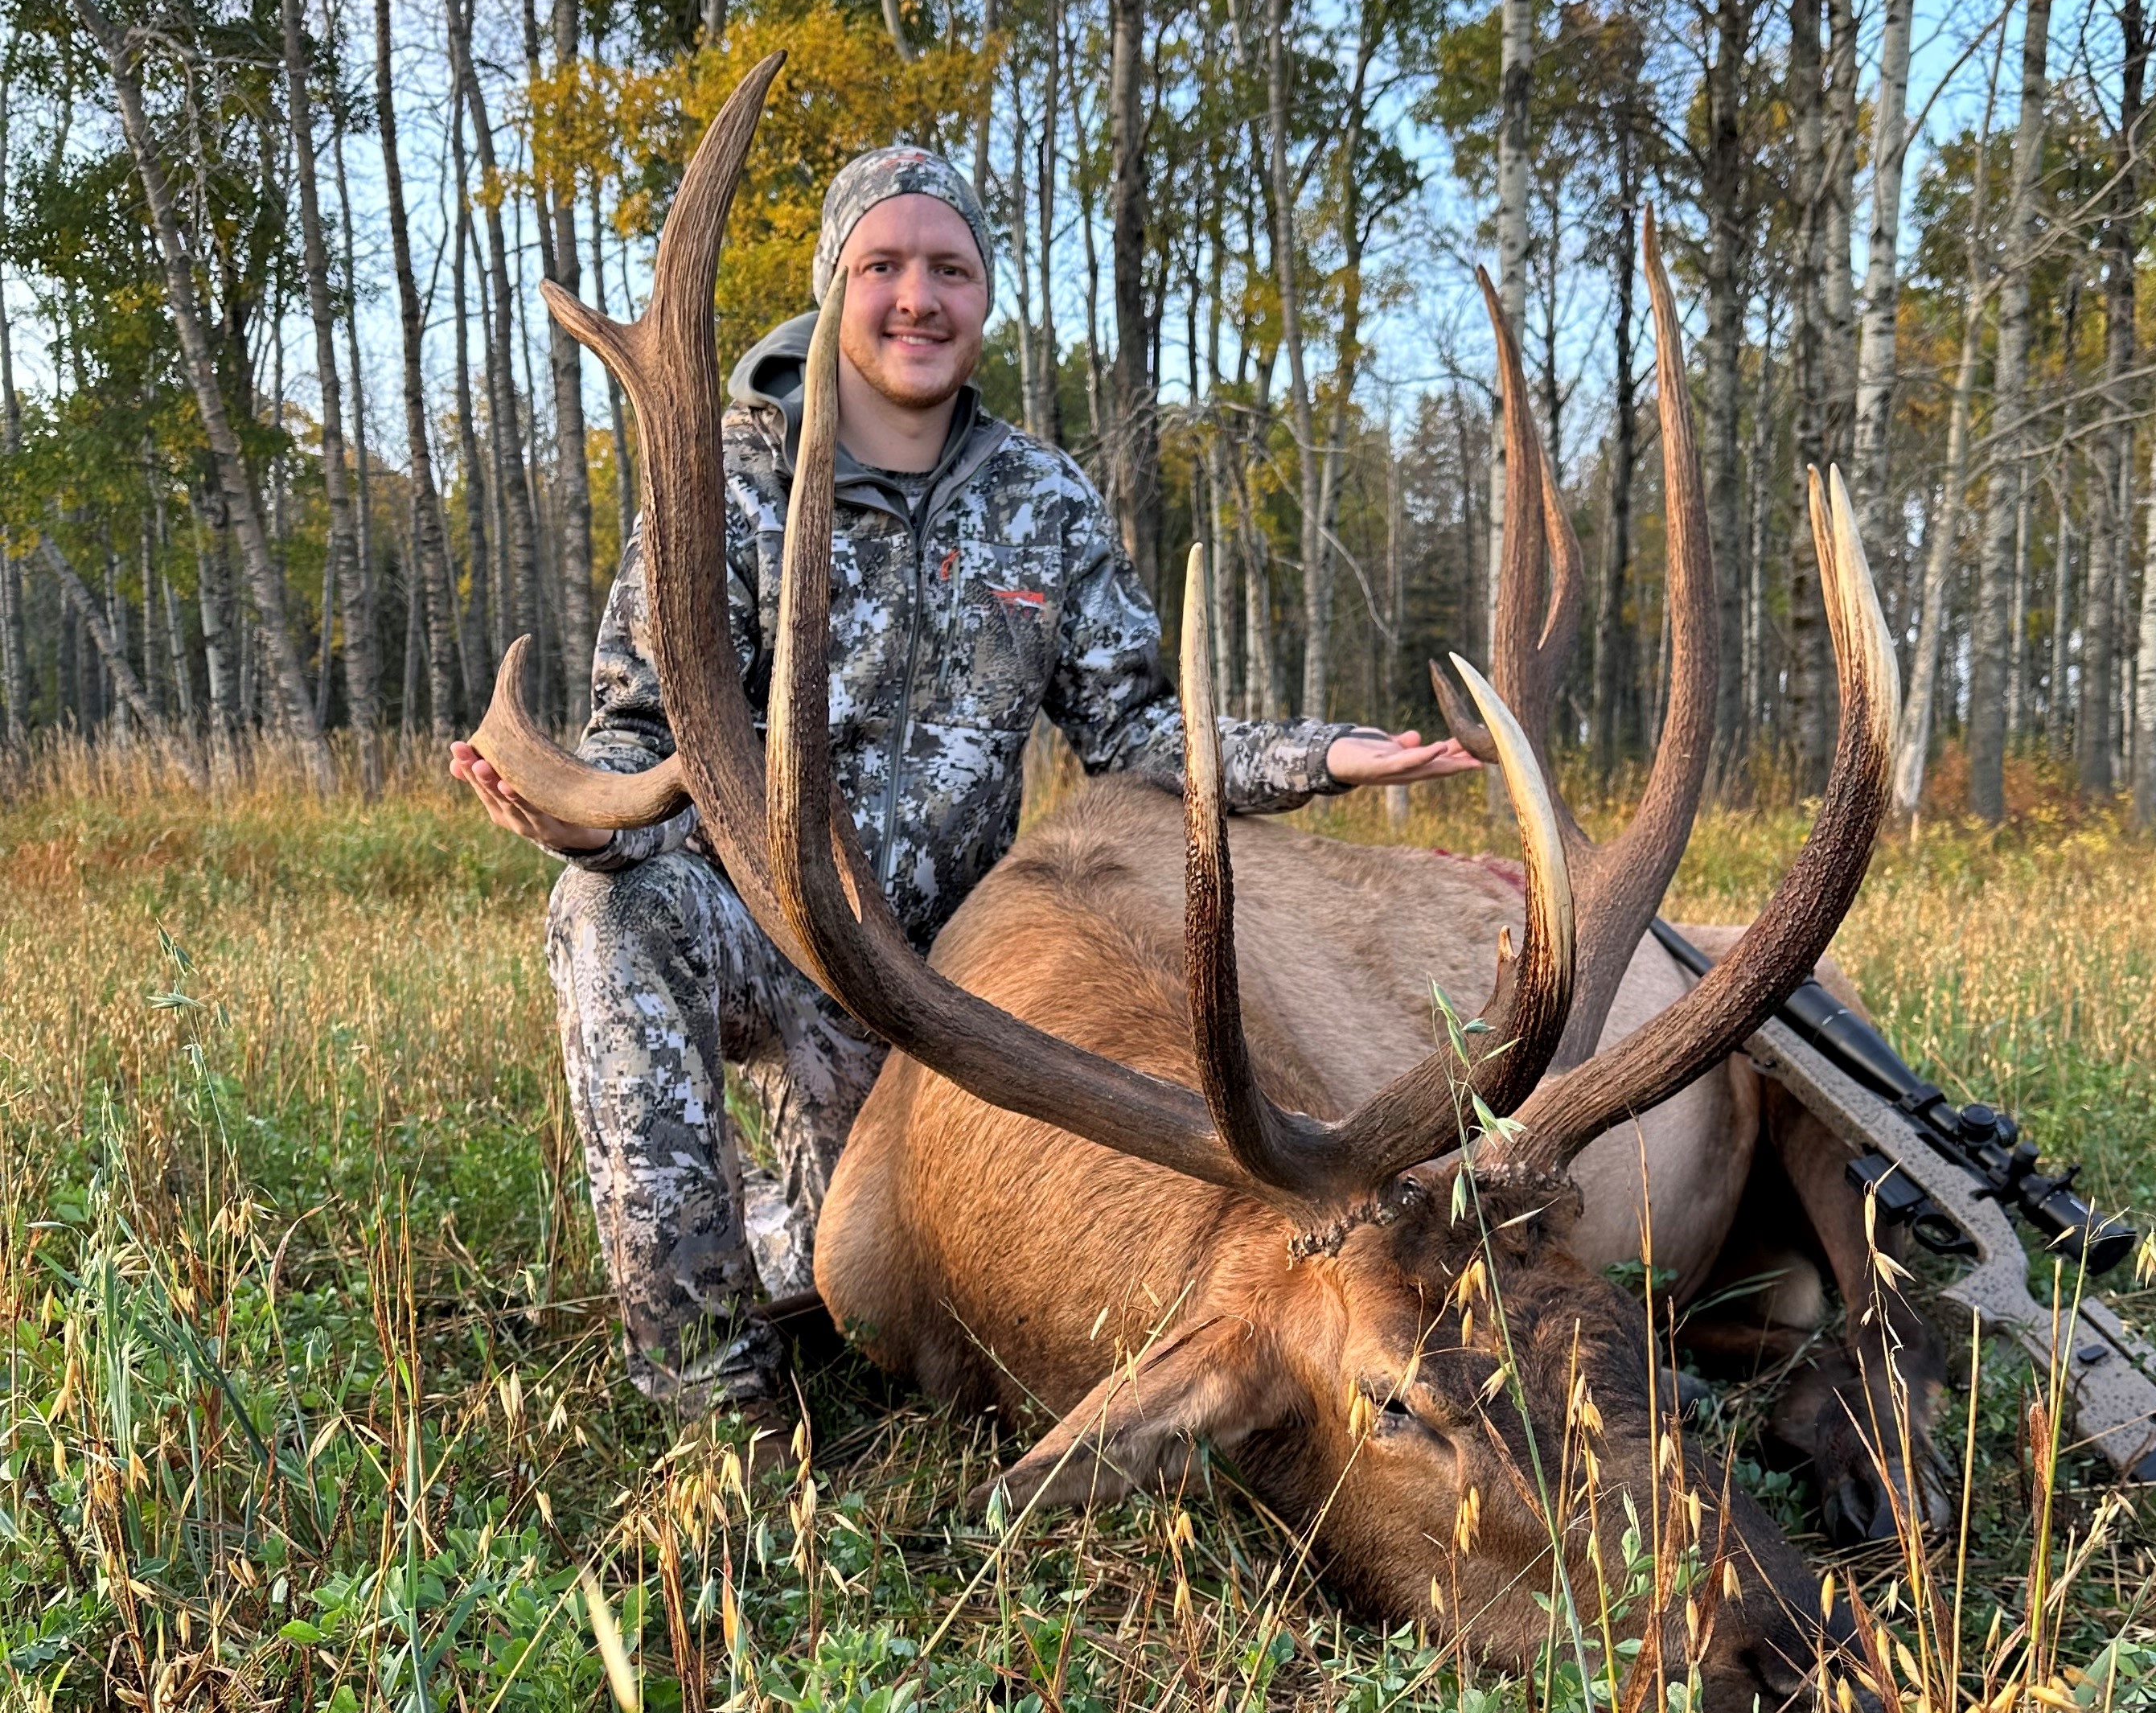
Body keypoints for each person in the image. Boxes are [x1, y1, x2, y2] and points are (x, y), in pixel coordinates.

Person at [454, 140, 1475, 1441]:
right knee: (611, 915)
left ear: (985, 294)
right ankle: (709, 1393)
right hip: (764, 935)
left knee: (861, 1285)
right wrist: (579, 811)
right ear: (834, 286)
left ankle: (773, 1244)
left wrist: (1323, 758)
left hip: (951, 985)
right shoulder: (727, 484)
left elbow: (1137, 730)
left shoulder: (1040, 499)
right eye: (881, 266)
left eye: (950, 268)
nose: (917, 299)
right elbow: (642, 725)